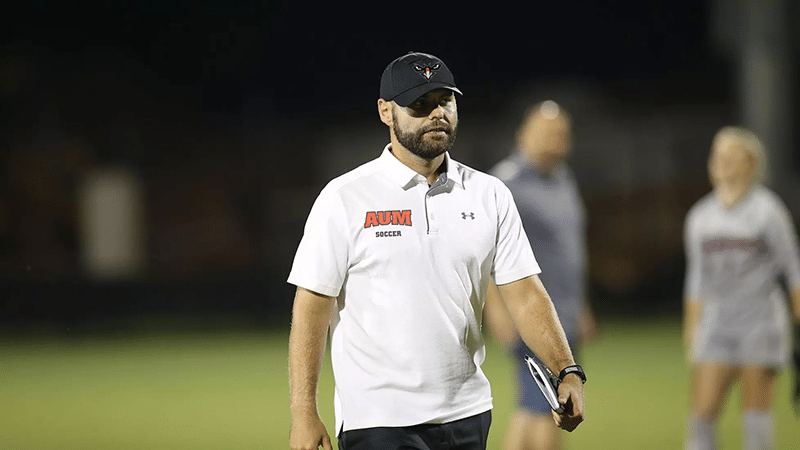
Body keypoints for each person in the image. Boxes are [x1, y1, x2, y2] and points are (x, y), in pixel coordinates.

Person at [287, 51, 586, 450]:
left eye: (445, 101)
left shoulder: (489, 194)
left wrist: (566, 370)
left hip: (467, 413)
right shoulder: (344, 197)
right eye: (420, 105)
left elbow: (527, 294)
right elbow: (312, 305)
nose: (437, 113)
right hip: (379, 420)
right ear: (385, 111)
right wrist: (304, 411)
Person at [483, 100, 597, 450]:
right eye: (546, 133)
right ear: (523, 136)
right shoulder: (505, 183)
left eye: (562, 133)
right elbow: (482, 250)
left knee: (535, 410)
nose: (556, 140)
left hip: (565, 315)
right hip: (531, 317)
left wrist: (582, 306)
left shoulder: (564, 178)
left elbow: (570, 248)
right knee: (552, 410)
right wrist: (497, 310)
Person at [683, 126, 800, 450]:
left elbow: (793, 268)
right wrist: (692, 328)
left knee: (756, 422)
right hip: (718, 324)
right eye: (717, 156)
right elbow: (696, 279)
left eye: (731, 156)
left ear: (750, 164)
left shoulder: (768, 210)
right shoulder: (700, 216)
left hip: (760, 322)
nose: (721, 162)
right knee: (701, 417)